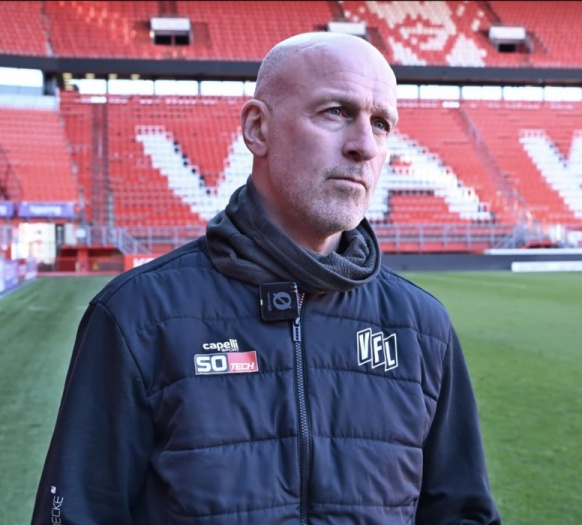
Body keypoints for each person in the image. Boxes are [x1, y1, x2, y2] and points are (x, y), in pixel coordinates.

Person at [31, 32, 501, 524]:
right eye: (336, 112)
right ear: (258, 129)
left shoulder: (422, 328)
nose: (364, 145)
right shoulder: (138, 316)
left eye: (381, 123)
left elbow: (461, 513)